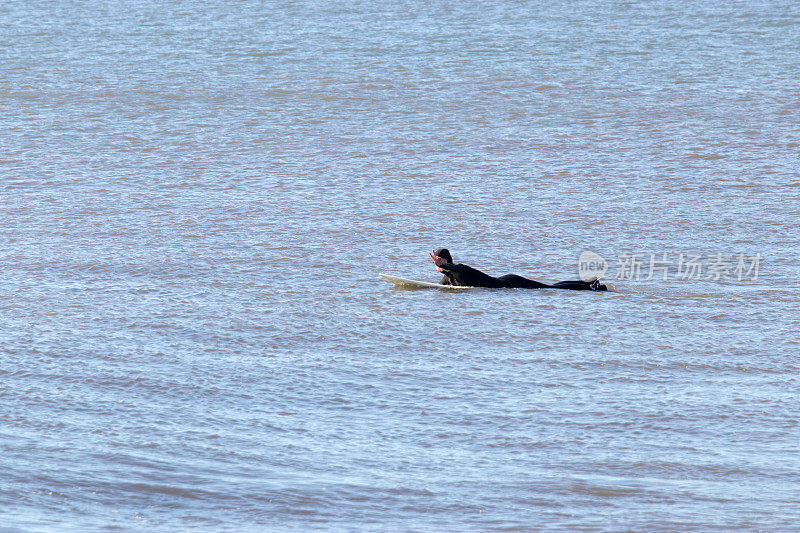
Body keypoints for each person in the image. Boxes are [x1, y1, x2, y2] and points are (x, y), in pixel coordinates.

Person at [430, 248, 607, 291]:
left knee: (550, 288)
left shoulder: (460, 270)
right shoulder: (449, 280)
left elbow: (452, 268)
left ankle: (590, 288)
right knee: (550, 286)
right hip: (504, 283)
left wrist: (443, 265)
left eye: (441, 260)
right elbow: (434, 287)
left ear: (448, 261)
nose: (437, 263)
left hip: (511, 283)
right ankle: (588, 283)